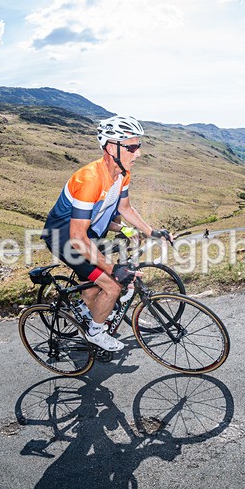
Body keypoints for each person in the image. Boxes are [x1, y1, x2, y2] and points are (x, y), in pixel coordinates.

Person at [42, 115, 172, 352]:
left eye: (138, 146)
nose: (138, 154)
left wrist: (152, 231)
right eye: (132, 147)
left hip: (84, 235)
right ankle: (95, 333)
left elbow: (125, 208)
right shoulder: (90, 179)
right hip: (63, 238)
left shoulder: (122, 174)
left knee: (94, 286)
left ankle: (85, 310)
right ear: (112, 147)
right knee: (112, 285)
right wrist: (112, 269)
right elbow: (77, 238)